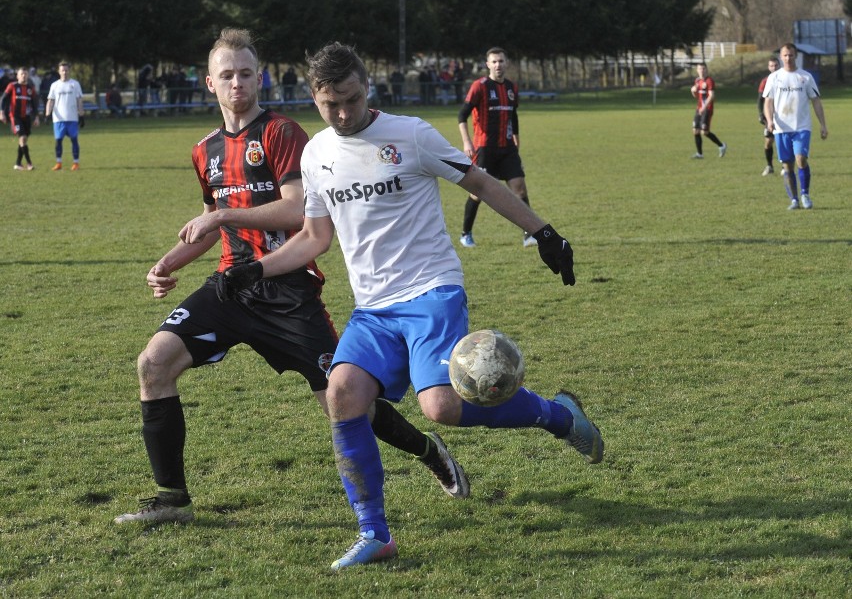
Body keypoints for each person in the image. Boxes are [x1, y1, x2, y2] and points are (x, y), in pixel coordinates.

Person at [217, 42, 603, 570]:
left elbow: (481, 183)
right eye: (332, 105)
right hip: (373, 309)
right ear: (315, 99)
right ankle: (375, 534)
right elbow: (313, 237)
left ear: (366, 88)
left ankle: (558, 416)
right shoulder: (316, 155)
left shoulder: (411, 134)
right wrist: (256, 269)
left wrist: (545, 234)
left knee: (440, 408)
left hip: (431, 291)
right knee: (342, 396)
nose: (344, 113)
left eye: (352, 99)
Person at [114, 29, 468, 526]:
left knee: (345, 403)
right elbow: (211, 222)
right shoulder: (206, 150)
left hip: (288, 290)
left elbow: (295, 211)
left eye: (245, 73)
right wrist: (170, 262)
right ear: (209, 83)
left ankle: (427, 451)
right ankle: (172, 499)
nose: (237, 83)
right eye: (226, 75)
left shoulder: (282, 134)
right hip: (230, 286)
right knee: (153, 364)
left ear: (259, 78)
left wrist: (222, 219)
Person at [458, 47, 539, 248]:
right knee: (477, 193)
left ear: (507, 63)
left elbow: (513, 115)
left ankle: (529, 234)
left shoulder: (512, 87)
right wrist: (467, 142)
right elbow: (462, 116)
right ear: (488, 65)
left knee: (519, 189)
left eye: (501, 61)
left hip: (507, 148)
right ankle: (465, 233)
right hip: (485, 149)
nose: (498, 65)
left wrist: (517, 138)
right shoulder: (480, 86)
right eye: (494, 62)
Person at [763, 43, 828, 210]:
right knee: (787, 165)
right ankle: (794, 200)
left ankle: (805, 193)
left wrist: (823, 125)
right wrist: (769, 120)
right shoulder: (774, 77)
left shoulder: (806, 77)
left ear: (796, 56)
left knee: (801, 158)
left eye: (791, 55)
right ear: (781, 57)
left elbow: (816, 101)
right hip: (781, 128)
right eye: (785, 55)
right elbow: (768, 102)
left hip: (802, 127)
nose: (788, 58)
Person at [45, 61, 84, 171]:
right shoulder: (55, 85)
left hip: (72, 118)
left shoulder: (75, 84)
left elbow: (79, 100)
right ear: (59, 71)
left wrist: (81, 115)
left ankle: (76, 163)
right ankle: (58, 163)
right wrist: (47, 115)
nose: (65, 72)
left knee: (74, 140)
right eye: (62, 70)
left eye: (66, 70)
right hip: (58, 119)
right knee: (58, 141)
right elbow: (50, 101)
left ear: (69, 71)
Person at [0, 67, 40, 170]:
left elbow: (35, 103)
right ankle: (29, 164)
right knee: (22, 138)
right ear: (17, 76)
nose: (23, 75)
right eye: (21, 74)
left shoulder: (30, 88)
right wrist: (2, 113)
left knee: (23, 140)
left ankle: (18, 163)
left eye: (25, 74)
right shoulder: (12, 86)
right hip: (15, 116)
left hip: (26, 117)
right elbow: (3, 99)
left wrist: (36, 117)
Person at [690, 62, 727, 160]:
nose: (701, 71)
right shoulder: (697, 81)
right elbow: (697, 96)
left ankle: (721, 145)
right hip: (699, 108)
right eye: (699, 69)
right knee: (695, 130)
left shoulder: (709, 81)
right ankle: (699, 154)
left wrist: (704, 107)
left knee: (704, 132)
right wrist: (693, 92)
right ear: (697, 70)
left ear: (706, 70)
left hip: (707, 109)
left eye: (703, 69)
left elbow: (711, 96)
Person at [757, 57, 779, 176]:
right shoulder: (765, 81)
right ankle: (769, 166)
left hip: (783, 116)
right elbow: (760, 100)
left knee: (783, 141)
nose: (774, 68)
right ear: (768, 67)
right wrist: (761, 114)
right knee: (768, 141)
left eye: (775, 65)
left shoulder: (785, 79)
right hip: (770, 116)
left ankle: (785, 166)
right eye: (771, 66)